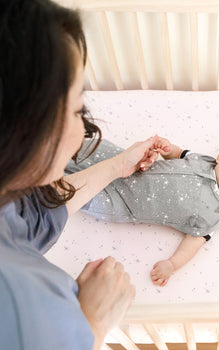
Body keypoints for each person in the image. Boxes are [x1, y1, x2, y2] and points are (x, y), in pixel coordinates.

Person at [0, 1, 159, 349]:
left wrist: (119, 165)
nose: (85, 129)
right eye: (77, 110)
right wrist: (92, 324)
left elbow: (39, 212)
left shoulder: (8, 201)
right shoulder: (17, 304)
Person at [65, 135, 219, 287]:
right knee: (91, 149)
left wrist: (172, 264)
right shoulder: (203, 160)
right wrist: (166, 147)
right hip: (131, 167)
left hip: (123, 203)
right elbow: (177, 153)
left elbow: (193, 243)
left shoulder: (216, 213)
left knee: (74, 193)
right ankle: (51, 144)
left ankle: (45, 183)